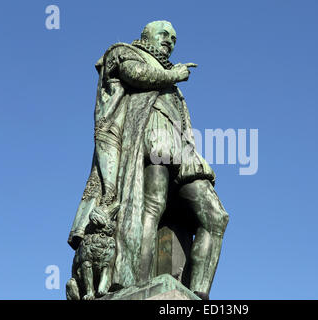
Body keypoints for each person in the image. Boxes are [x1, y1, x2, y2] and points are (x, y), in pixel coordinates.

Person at [68, 20, 229, 300]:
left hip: (183, 149)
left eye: (174, 38)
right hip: (152, 139)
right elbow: (134, 74)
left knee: (216, 217)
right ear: (146, 35)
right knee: (152, 207)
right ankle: (137, 281)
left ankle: (198, 293)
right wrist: (173, 76)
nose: (169, 40)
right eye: (164, 34)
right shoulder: (124, 52)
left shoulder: (171, 82)